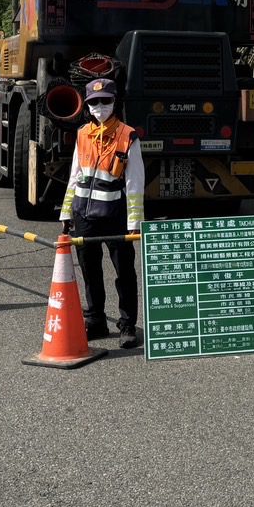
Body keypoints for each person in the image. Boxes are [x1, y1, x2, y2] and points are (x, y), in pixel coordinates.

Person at [60, 77, 145, 348]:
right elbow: (75, 175)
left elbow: (135, 184)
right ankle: (95, 320)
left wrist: (134, 223)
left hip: (115, 215)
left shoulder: (128, 136)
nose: (100, 106)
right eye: (94, 102)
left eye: (105, 101)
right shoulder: (83, 134)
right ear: (87, 105)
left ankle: (127, 324)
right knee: (89, 270)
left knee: (124, 272)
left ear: (114, 102)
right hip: (84, 217)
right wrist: (66, 214)